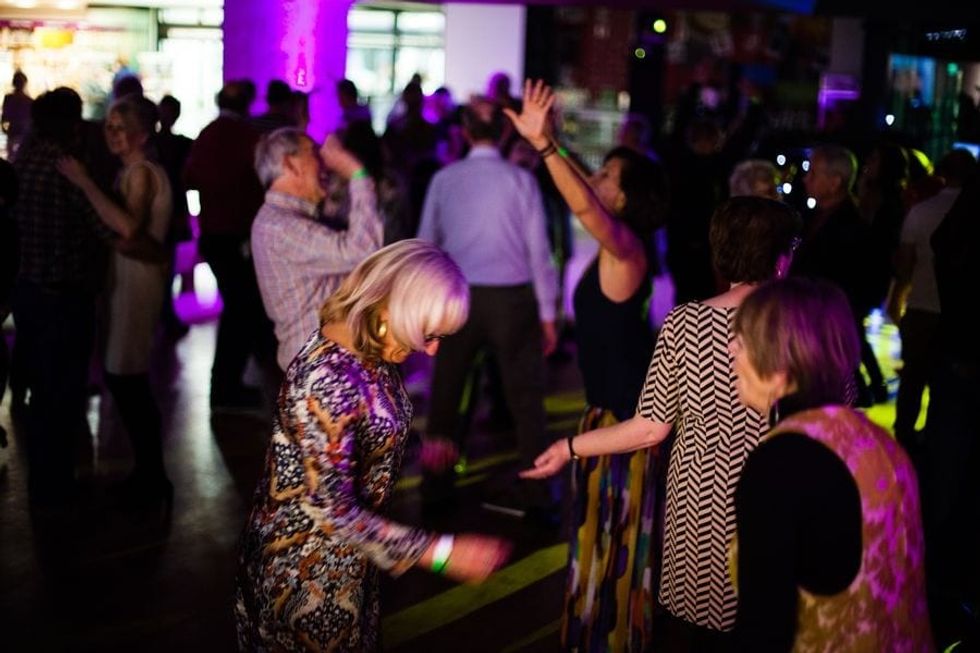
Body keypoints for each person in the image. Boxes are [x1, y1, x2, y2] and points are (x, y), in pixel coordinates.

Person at [524, 195, 801, 651]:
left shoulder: (688, 324)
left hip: (701, 518)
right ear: (782, 256)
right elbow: (840, 424)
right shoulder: (810, 325)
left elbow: (649, 427)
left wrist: (571, 448)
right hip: (780, 511)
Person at [234, 239, 511, 651]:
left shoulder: (368, 351)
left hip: (350, 561)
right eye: (429, 333)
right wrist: (441, 552)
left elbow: (362, 430)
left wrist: (415, 446)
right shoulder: (326, 379)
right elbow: (333, 510)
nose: (431, 349)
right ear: (391, 307)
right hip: (304, 574)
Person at [506, 79, 667, 650]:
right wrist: (550, 140)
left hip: (627, 427)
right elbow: (586, 193)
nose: (594, 183)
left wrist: (548, 148)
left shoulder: (626, 250)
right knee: (600, 541)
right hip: (606, 418)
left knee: (618, 549)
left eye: (606, 178)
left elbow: (582, 203)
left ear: (623, 198)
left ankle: (613, 640)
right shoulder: (621, 246)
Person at [729, 277, 933, 651]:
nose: (731, 353)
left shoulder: (780, 462)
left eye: (742, 342)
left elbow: (764, 624)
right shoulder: (879, 439)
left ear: (777, 363)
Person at [417, 98, 558, 517]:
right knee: (526, 400)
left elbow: (426, 245)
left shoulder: (445, 179)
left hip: (455, 297)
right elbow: (540, 253)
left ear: (462, 130)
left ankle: (436, 487)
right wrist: (549, 314)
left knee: (445, 395)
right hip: (511, 301)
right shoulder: (520, 180)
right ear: (502, 132)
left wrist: (424, 310)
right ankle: (537, 493)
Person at [57, 95, 174, 501]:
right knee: (122, 376)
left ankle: (152, 476)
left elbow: (127, 230)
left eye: (118, 127)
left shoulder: (141, 173)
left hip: (137, 281)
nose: (110, 134)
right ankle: (148, 473)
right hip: (128, 277)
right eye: (108, 126)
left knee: (128, 377)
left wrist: (84, 182)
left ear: (141, 133)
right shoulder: (132, 171)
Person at [251, 128, 383, 372]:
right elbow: (363, 251)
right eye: (314, 153)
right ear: (291, 164)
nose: (324, 161)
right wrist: (357, 174)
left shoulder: (286, 219)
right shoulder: (281, 226)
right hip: (321, 368)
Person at [2, 70, 32, 159]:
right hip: (19, 132)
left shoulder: (9, 98)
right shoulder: (28, 101)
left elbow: (4, 116)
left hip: (18, 132)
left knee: (13, 157)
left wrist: (4, 127)